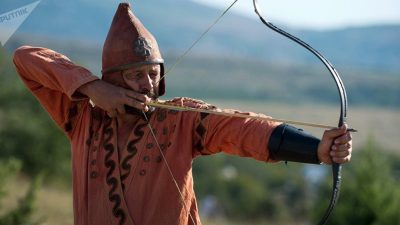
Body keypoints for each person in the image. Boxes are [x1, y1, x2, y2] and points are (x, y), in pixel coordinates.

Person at [13, 3, 352, 225]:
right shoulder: (81, 119)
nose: (147, 84)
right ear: (112, 79)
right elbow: (26, 58)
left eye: (153, 73)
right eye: (135, 74)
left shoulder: (179, 119)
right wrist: (90, 88)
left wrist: (317, 150)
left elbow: (240, 127)